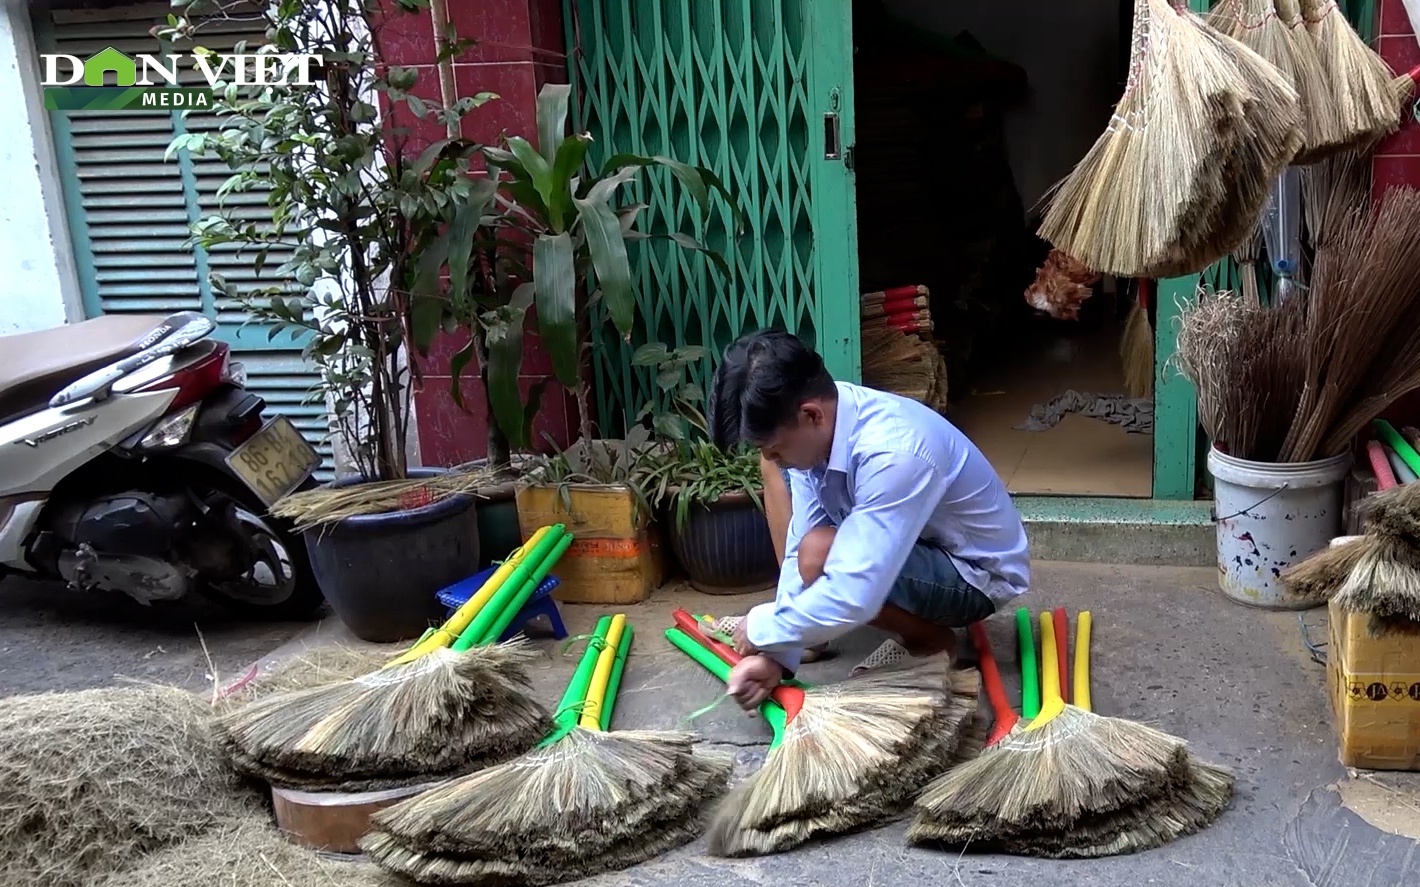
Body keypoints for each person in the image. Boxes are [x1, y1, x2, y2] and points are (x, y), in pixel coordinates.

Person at [708, 329, 1030, 710]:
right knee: (813, 547)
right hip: (922, 547)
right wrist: (777, 655)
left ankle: (929, 640)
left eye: (776, 450)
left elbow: (855, 593)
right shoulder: (821, 423)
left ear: (811, 414)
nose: (775, 461)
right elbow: (798, 545)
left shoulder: (893, 452)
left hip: (976, 574)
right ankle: (810, 627)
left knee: (822, 552)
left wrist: (764, 626)